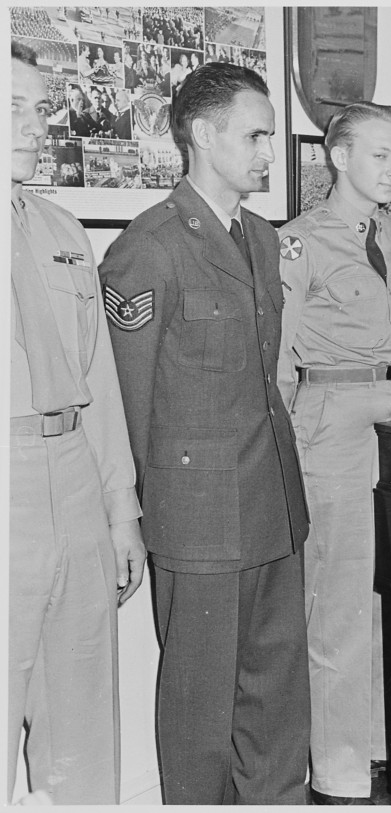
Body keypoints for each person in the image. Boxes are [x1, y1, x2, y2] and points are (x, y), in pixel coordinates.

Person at [99, 62, 311, 804]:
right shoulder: (149, 248)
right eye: (255, 135)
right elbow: (127, 404)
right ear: (201, 133)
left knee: (278, 699)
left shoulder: (260, 238)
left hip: (273, 502)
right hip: (198, 516)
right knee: (199, 712)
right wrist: (134, 513)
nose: (267, 152)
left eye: (269, 137)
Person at [9, 42, 146, 805]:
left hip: (74, 475)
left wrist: (120, 512)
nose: (39, 124)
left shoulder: (63, 233)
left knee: (84, 715)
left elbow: (99, 383)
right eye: (16, 105)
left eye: (41, 105)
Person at [277, 101, 391, 804]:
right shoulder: (299, 242)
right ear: (338, 157)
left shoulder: (390, 234)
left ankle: (379, 744)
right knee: (335, 601)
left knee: (383, 590)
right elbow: (277, 362)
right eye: (381, 154)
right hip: (331, 417)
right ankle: (337, 769)